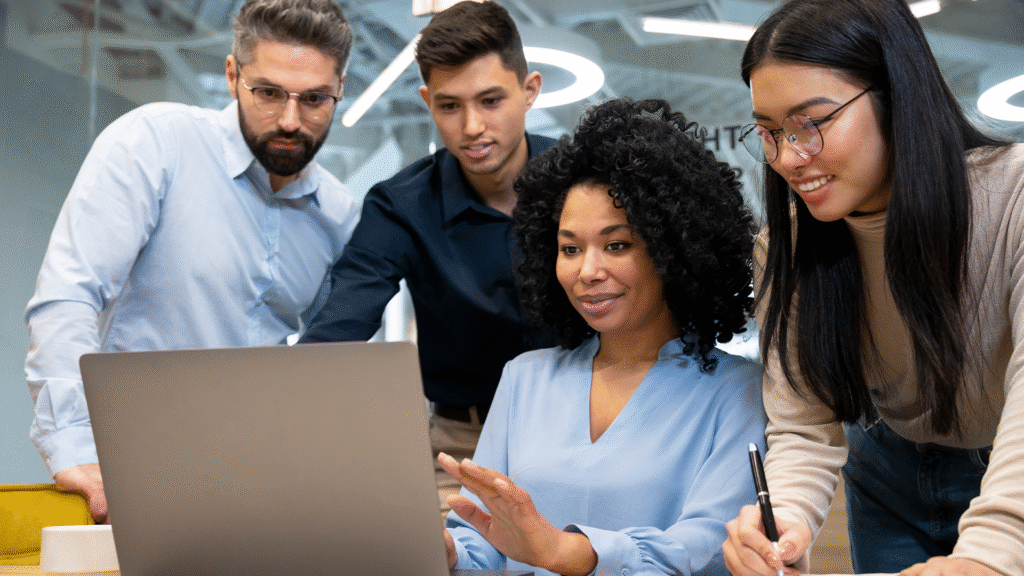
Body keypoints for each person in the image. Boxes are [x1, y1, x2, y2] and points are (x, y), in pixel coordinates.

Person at [24, 0, 359, 524]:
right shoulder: (156, 143)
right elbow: (69, 296)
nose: (291, 121)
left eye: (315, 99)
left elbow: (319, 366)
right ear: (232, 75)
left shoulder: (338, 216)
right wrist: (73, 447)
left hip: (257, 483)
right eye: (268, 93)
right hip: (126, 472)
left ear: (340, 91)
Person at [720, 0, 1024, 575]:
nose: (788, 157)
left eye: (811, 123)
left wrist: (990, 553)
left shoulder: (1013, 195)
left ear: (895, 95)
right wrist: (781, 520)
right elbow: (804, 423)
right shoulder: (783, 245)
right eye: (769, 132)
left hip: (1009, 467)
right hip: (887, 474)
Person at [437, 98, 767, 576]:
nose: (587, 271)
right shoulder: (524, 379)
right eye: (570, 248)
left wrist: (565, 553)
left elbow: (707, 550)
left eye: (617, 245)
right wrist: (447, 553)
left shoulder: (737, 392)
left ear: (675, 249)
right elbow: (482, 543)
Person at [299, 0, 555, 512]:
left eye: (490, 100)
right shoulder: (401, 206)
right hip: (462, 449)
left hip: (586, 433)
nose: (472, 127)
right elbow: (339, 325)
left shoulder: (589, 180)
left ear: (529, 92)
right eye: (450, 106)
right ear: (427, 101)